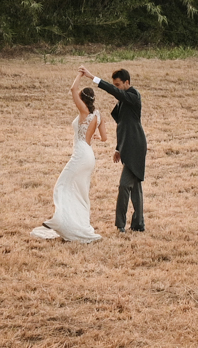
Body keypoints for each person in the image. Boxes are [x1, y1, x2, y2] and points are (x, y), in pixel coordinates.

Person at [31, 75, 104, 243]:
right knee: (80, 192)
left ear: (83, 100)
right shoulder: (98, 115)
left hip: (81, 154)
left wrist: (80, 74)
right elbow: (105, 137)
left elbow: (73, 89)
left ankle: (60, 220)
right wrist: (96, 136)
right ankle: (77, 224)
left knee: (62, 185)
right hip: (89, 156)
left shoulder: (84, 112)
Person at [79, 65, 146, 232]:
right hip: (128, 145)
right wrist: (118, 148)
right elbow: (123, 126)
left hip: (136, 146)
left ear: (127, 82)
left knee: (124, 185)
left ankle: (121, 225)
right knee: (135, 187)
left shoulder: (133, 96)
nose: (116, 88)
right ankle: (138, 224)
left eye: (118, 85)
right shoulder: (124, 100)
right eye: (115, 85)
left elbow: (115, 92)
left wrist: (92, 77)